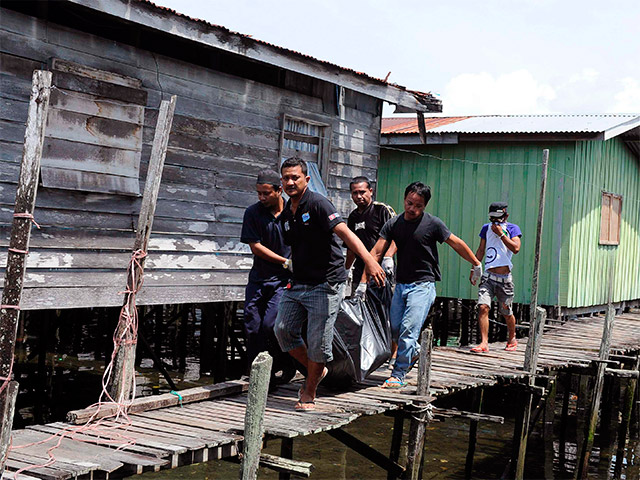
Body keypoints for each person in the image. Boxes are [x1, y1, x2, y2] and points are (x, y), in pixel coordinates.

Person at [274, 157, 385, 411]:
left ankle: (309, 392)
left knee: (318, 341)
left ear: (307, 179)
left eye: (295, 177)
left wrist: (369, 261)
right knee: (282, 330)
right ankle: (319, 369)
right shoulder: (287, 210)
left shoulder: (319, 204)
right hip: (299, 281)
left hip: (326, 283)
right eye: (286, 178)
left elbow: (347, 233)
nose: (290, 182)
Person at [368, 182, 482, 388]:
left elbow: (456, 242)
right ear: (404, 199)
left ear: (425, 205)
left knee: (408, 330)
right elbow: (375, 252)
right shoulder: (394, 224)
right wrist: (362, 279)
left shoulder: (433, 224)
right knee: (395, 329)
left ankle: (398, 374)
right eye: (409, 203)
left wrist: (475, 263)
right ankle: (417, 352)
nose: (412, 209)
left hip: (423, 285)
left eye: (418, 205)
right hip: (401, 284)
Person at [240, 169, 295, 382]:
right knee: (252, 324)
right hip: (259, 279)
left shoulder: (293, 211)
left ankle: (283, 363)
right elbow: (255, 246)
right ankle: (259, 376)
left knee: (271, 325)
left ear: (279, 191)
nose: (261, 198)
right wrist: (284, 261)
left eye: (266, 193)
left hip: (284, 281)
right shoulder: (253, 213)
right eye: (259, 193)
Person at [470, 202, 522, 353]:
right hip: (488, 277)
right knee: (483, 307)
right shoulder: (486, 228)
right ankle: (484, 343)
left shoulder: (512, 228)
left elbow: (516, 248)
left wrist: (501, 234)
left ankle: (512, 337)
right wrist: (474, 268)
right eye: (493, 218)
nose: (495, 222)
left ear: (506, 216)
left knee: (506, 311)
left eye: (498, 218)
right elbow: (481, 250)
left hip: (505, 279)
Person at [345, 176, 397, 295]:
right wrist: (346, 270)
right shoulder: (353, 217)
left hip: (380, 272)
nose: (359, 196)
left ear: (371, 191)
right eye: (355, 193)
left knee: (382, 310)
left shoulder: (382, 210)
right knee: (358, 310)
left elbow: (397, 235)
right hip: (359, 272)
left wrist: (388, 257)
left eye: (362, 192)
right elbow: (351, 247)